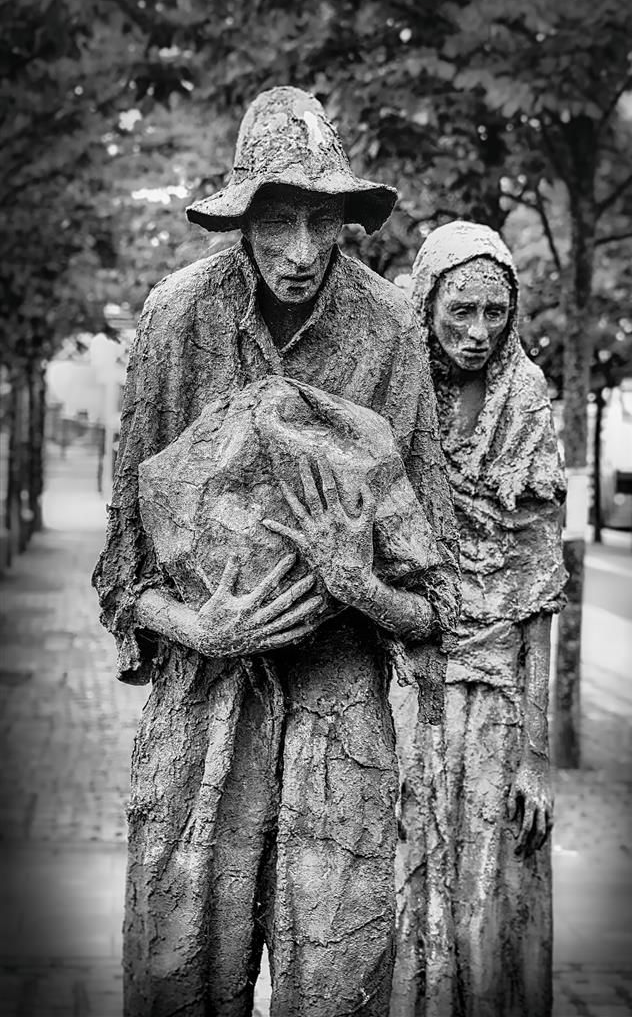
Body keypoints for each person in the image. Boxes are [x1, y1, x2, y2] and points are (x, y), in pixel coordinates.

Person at [92, 86, 458, 1017]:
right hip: (204, 694)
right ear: (243, 219)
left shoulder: (391, 330)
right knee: (181, 977)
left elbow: (434, 601)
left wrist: (357, 583)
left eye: (322, 221)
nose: (301, 251)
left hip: (340, 704)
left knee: (337, 983)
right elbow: (122, 573)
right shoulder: (179, 318)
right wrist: (196, 625)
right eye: (278, 220)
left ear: (344, 223)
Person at [395, 221, 567, 1017]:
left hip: (495, 695)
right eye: (460, 310)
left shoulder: (526, 403)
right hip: (403, 681)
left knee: (488, 904)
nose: (477, 332)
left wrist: (539, 757)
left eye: (495, 313)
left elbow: (538, 587)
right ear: (425, 301)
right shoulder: (394, 390)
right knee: (403, 891)